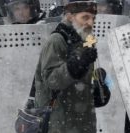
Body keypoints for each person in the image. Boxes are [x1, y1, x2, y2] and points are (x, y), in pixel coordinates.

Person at [33, 0, 111, 132]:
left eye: (93, 18)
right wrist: (75, 66)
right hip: (60, 124)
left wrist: (101, 89)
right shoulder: (57, 40)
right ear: (70, 16)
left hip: (84, 123)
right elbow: (51, 80)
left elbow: (84, 83)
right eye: (85, 17)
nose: (90, 23)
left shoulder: (85, 40)